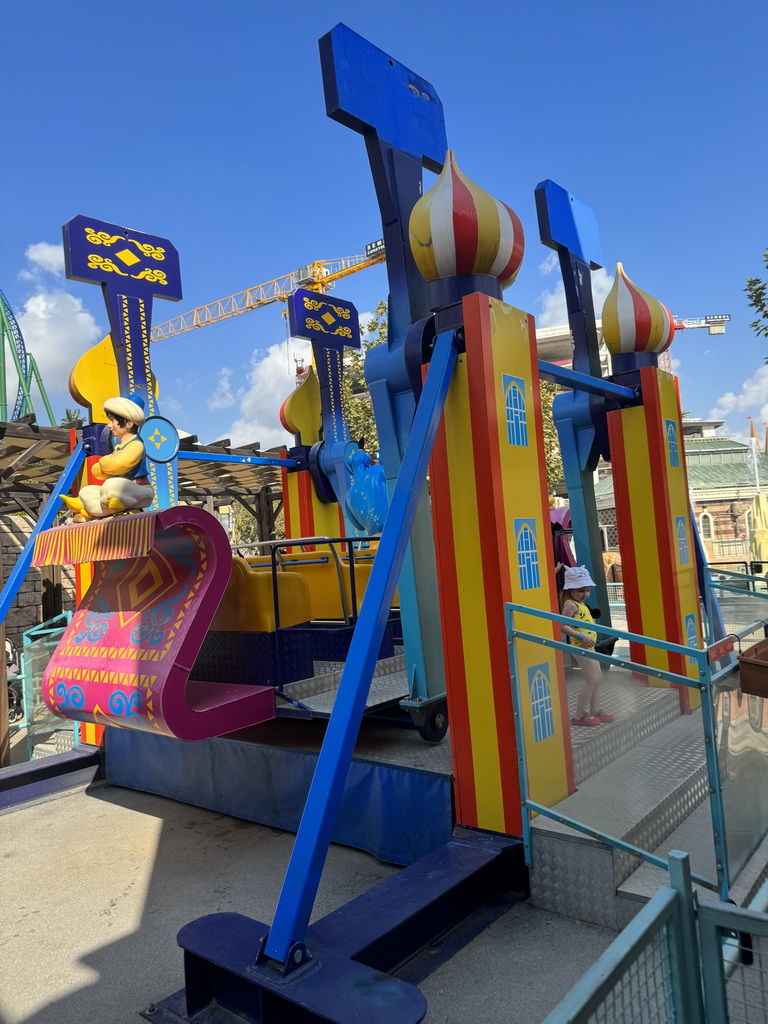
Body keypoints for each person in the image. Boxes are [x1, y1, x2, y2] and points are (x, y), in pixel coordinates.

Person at [61, 396, 154, 521]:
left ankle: (92, 509)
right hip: (122, 491)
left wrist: (104, 462)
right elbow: (98, 472)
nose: (109, 426)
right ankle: (107, 507)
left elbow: (118, 465)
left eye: (112, 421)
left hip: (139, 489)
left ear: (129, 423)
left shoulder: (136, 445)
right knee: (87, 491)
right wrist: (107, 464)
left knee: (113, 485)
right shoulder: (119, 447)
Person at [560, 565, 614, 727]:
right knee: (592, 679)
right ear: (570, 590)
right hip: (581, 647)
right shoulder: (571, 604)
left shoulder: (580, 604)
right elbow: (562, 625)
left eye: (587, 590)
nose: (585, 595)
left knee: (597, 678)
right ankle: (579, 715)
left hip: (589, 647)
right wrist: (581, 636)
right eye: (581, 591)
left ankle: (595, 711)